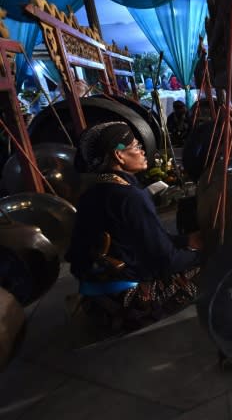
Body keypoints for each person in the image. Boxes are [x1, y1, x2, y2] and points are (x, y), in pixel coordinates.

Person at [67, 122, 204, 329]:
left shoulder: (91, 193)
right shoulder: (130, 196)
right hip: (129, 301)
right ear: (119, 155)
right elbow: (165, 261)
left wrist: (185, 240)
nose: (142, 152)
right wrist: (206, 252)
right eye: (136, 146)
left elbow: (137, 240)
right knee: (214, 265)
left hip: (94, 298)